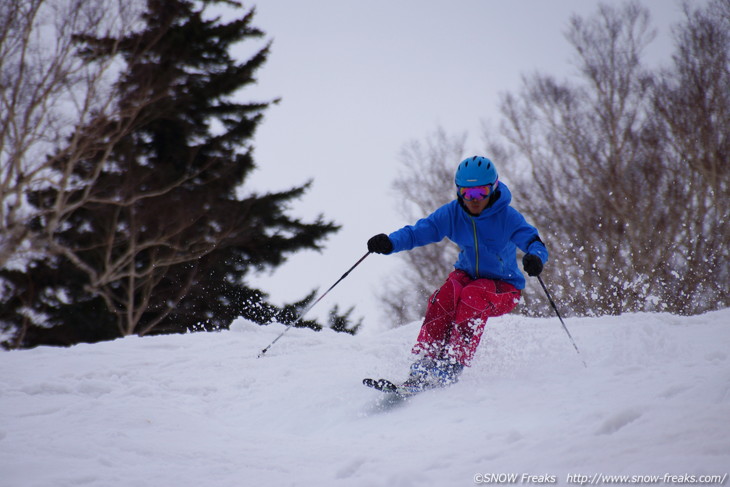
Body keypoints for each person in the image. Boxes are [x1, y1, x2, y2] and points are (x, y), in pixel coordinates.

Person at [367, 156, 548, 393]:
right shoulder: (453, 214)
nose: (474, 200)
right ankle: (425, 363)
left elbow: (534, 242)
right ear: (459, 191)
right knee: (446, 294)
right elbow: (419, 232)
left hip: (504, 287)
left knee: (473, 294)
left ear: (493, 188)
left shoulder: (507, 217)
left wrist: (535, 258)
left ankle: (452, 365)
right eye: (467, 193)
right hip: (466, 276)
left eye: (481, 192)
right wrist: (390, 242)